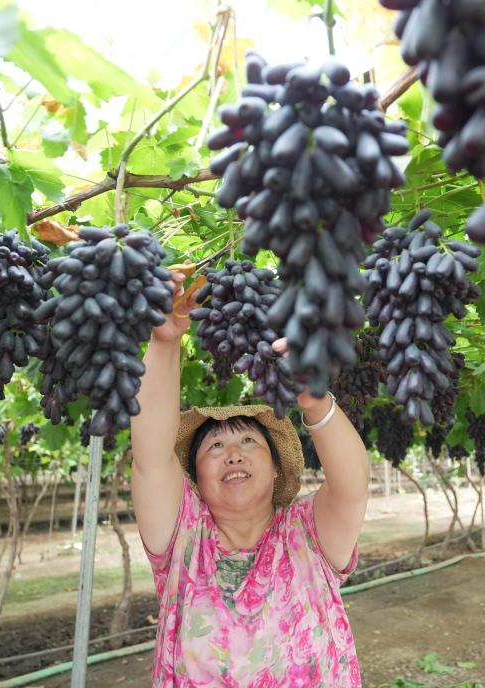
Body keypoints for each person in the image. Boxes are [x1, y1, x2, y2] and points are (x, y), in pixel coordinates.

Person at [131, 269, 371, 687]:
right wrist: (164, 342)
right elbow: (151, 458)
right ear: (195, 478)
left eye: (248, 441)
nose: (233, 454)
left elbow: (352, 488)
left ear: (276, 466)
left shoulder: (306, 535)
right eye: (214, 446)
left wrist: (314, 401)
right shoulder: (183, 538)